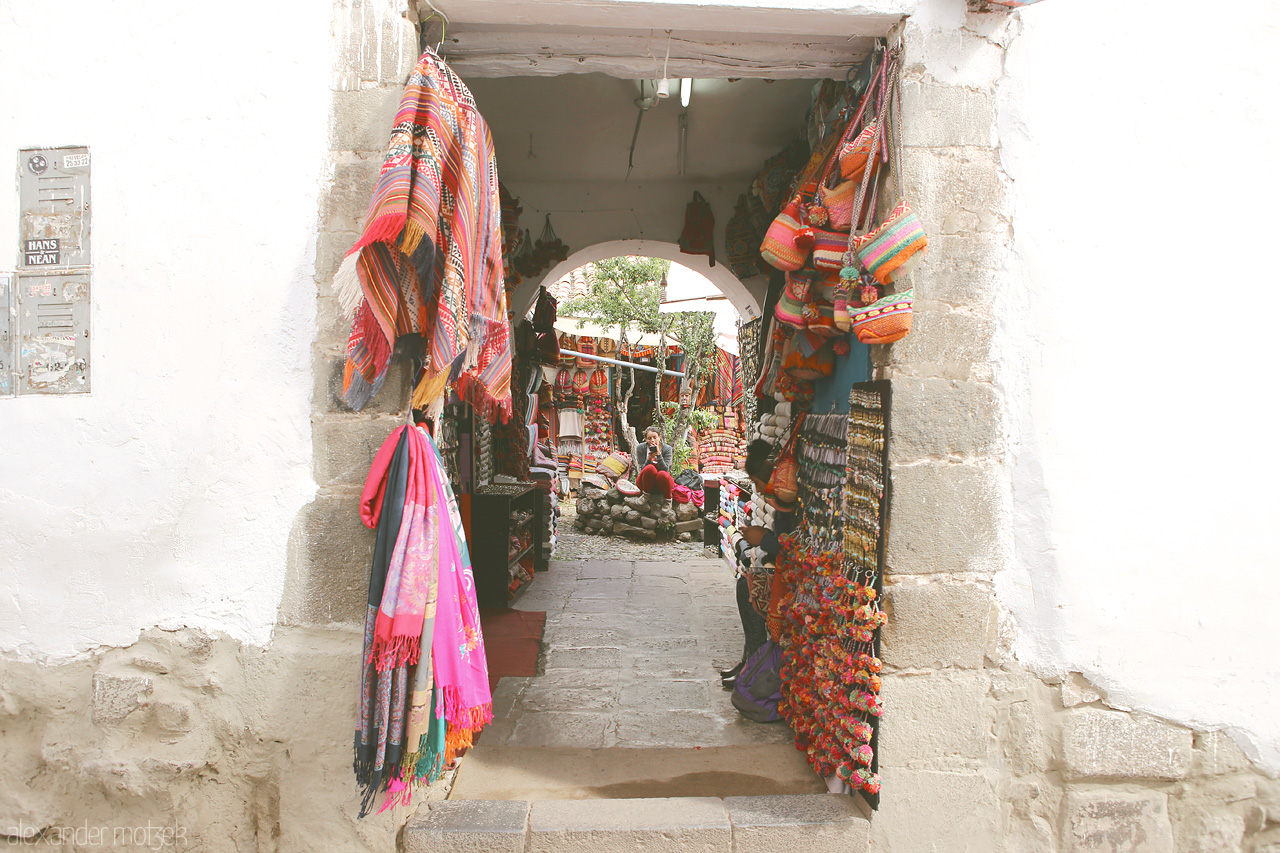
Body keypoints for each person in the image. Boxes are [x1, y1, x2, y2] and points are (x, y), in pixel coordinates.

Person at [635, 427, 675, 498]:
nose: (652, 440)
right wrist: (649, 459)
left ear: (659, 437)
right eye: (649, 438)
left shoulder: (667, 449)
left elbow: (665, 469)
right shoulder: (641, 448)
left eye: (655, 437)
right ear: (646, 439)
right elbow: (642, 469)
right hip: (646, 482)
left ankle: (668, 499)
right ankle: (645, 496)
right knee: (650, 468)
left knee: (662, 474)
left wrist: (659, 455)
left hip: (661, 482)